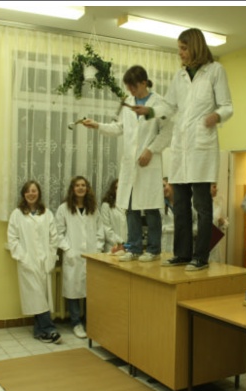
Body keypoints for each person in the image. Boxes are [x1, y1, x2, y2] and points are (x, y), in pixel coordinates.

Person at [153, 28, 234, 271]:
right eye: (179, 48)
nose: (180, 53)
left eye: (184, 48)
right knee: (180, 205)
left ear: (195, 47)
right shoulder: (180, 76)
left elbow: (227, 106)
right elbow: (169, 105)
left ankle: (201, 257)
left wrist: (216, 116)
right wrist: (149, 111)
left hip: (201, 148)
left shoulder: (215, 71)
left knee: (202, 206)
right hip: (181, 148)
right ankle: (182, 253)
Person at [82, 65, 171, 263]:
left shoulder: (159, 103)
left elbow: (167, 132)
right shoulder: (128, 103)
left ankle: (154, 249)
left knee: (151, 207)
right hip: (131, 164)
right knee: (130, 206)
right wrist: (97, 125)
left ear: (144, 83)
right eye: (128, 87)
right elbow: (119, 128)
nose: (130, 91)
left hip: (149, 162)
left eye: (133, 87)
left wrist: (151, 150)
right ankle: (134, 247)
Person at [7, 180, 61, 344]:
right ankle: (50, 329)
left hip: (44, 261)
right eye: (28, 191)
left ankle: (39, 331)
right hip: (27, 262)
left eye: (34, 191)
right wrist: (23, 257)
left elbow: (54, 237)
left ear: (39, 193)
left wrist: (51, 257)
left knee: (41, 297)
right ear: (24, 194)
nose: (31, 194)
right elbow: (12, 238)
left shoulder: (47, 213)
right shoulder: (17, 214)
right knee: (37, 295)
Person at [55, 176, 105, 339]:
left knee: (92, 291)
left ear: (87, 188)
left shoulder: (93, 209)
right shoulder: (64, 209)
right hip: (73, 255)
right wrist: (68, 249)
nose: (80, 188)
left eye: (83, 185)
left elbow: (100, 231)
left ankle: (91, 322)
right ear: (72, 189)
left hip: (91, 255)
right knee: (73, 291)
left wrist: (98, 249)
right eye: (77, 185)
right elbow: (58, 233)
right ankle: (76, 323)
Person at [161, 177, 197, 254]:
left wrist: (187, 231)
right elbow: (156, 227)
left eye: (164, 186)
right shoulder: (160, 206)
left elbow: (197, 223)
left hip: (185, 246)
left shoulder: (188, 204)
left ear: (172, 185)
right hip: (165, 246)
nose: (162, 189)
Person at [99, 179, 127, 254]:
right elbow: (106, 228)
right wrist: (121, 243)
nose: (120, 190)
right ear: (113, 190)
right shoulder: (106, 205)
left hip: (128, 248)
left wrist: (127, 245)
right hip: (112, 247)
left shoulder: (130, 207)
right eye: (117, 188)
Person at [208, 182, 229, 263]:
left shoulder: (217, 204)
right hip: (201, 242)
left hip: (214, 243)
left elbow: (225, 222)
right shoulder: (196, 205)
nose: (217, 189)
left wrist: (222, 222)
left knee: (215, 266)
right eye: (214, 187)